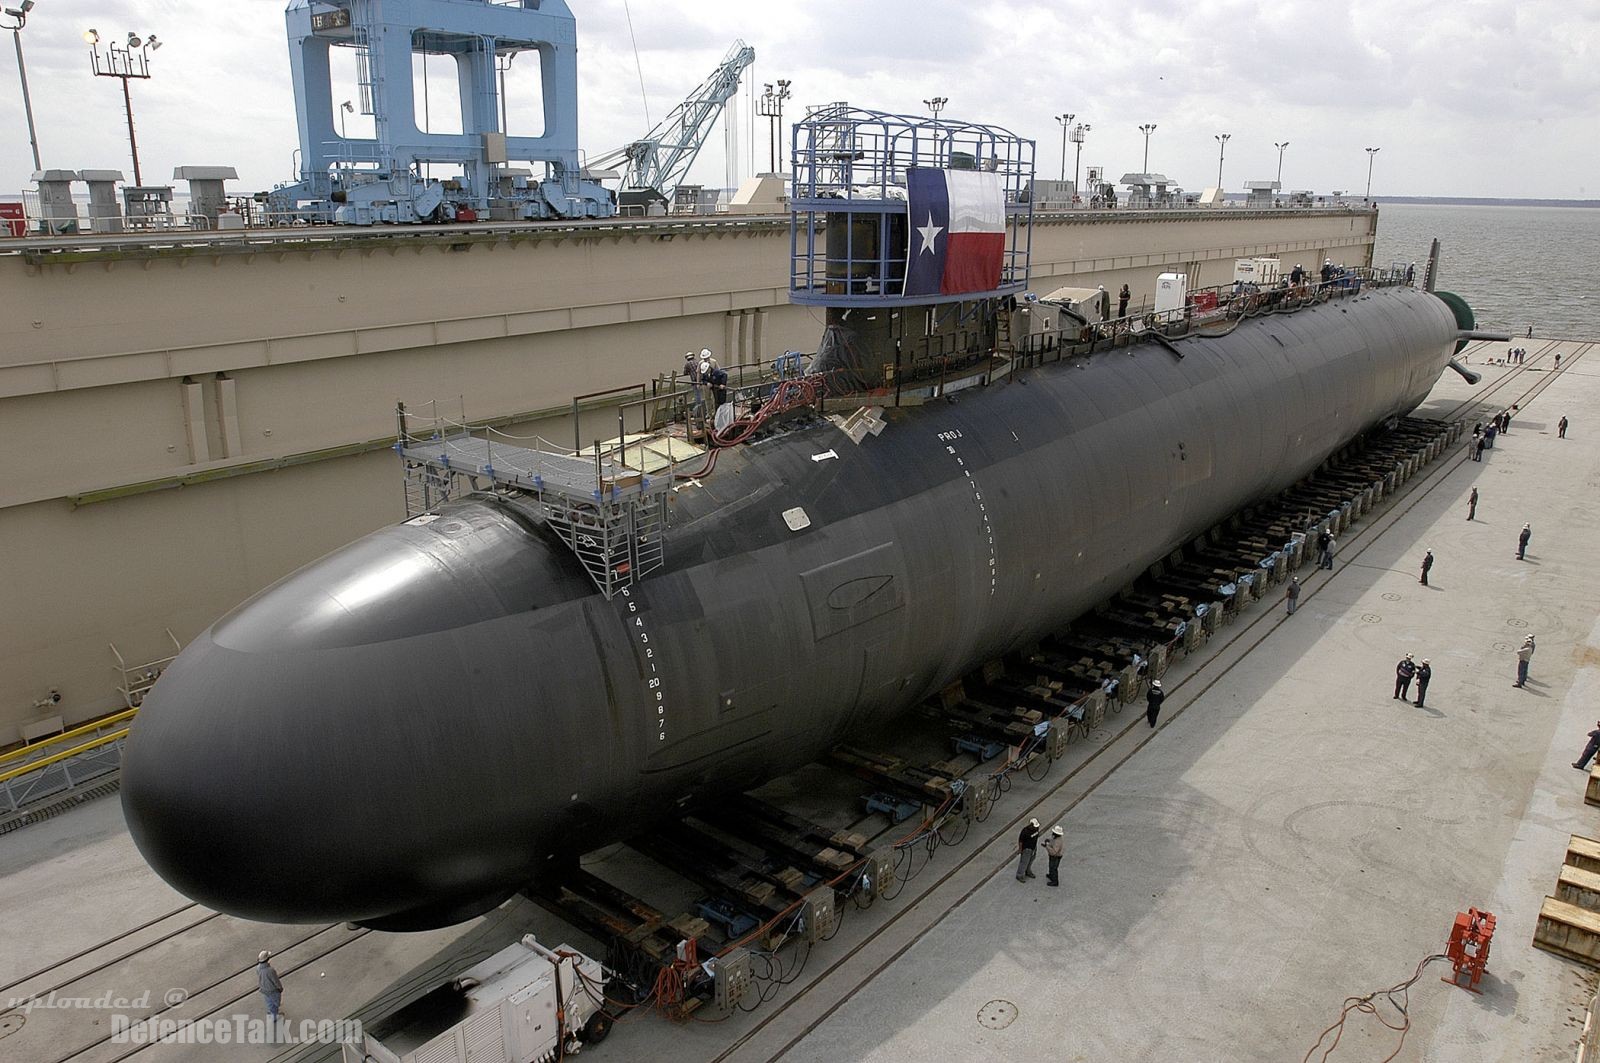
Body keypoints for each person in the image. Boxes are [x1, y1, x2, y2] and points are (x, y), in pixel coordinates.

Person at [257, 950, 284, 1021]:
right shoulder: (270, 970)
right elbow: (276, 981)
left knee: (269, 1002)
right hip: (272, 990)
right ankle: (274, 1016)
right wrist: (280, 988)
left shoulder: (258, 968)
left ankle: (271, 1011)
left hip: (264, 989)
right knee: (275, 1003)